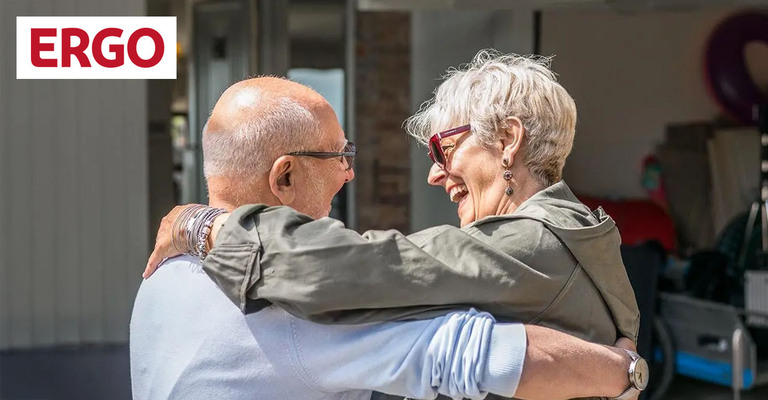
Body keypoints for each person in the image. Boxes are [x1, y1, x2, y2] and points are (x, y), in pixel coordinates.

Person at [131, 76, 645, 400]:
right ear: (284, 178)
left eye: (442, 149)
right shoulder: (574, 232)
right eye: (339, 157)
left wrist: (200, 225)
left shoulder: (160, 281)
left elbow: (346, 267)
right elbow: (474, 355)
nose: (434, 176)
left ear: (508, 141)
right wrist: (622, 370)